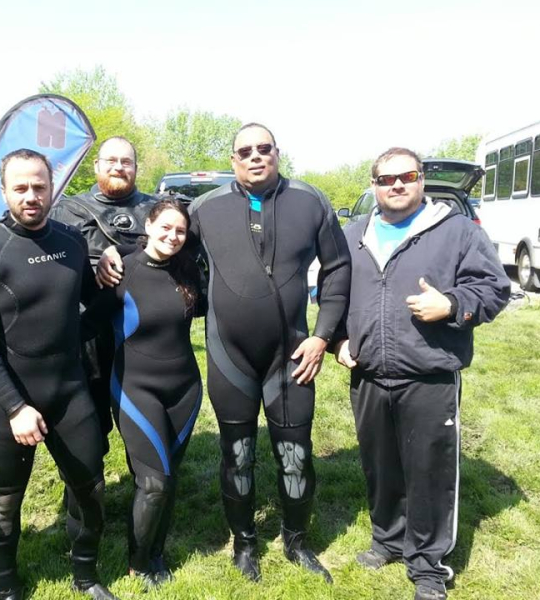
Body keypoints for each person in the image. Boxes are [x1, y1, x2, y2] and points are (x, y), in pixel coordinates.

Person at [99, 123, 351, 583]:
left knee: (295, 455)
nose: (255, 156)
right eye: (244, 151)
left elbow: (338, 268)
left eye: (264, 148)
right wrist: (107, 256)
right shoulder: (205, 208)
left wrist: (324, 335)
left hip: (293, 356)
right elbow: (162, 244)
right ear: (233, 159)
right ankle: (244, 545)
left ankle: (297, 542)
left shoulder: (310, 201)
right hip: (229, 356)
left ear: (277, 152)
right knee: (237, 455)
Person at [332, 147, 510, 600]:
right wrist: (337, 341)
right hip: (369, 375)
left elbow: (494, 288)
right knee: (381, 466)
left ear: (421, 180)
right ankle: (388, 540)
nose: (396, 185)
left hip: (429, 375)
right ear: (373, 185)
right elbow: (330, 293)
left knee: (428, 472)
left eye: (406, 176)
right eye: (386, 178)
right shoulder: (353, 234)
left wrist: (451, 304)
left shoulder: (454, 231)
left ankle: (429, 565)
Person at [0, 149, 118, 600]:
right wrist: (15, 405)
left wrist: (105, 277)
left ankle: (85, 575)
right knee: (5, 500)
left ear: (52, 188)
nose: (31, 196)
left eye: (39, 186)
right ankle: (6, 587)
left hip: (68, 390)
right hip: (7, 401)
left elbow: (90, 307)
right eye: (20, 187)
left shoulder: (71, 241)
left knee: (91, 489)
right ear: (4, 191)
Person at [82, 198, 204, 589]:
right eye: (165, 227)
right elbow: (83, 326)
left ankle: (156, 550)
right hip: (136, 389)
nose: (172, 236)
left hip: (185, 389)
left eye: (180, 231)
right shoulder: (121, 272)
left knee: (169, 476)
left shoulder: (188, 270)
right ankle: (138, 563)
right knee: (154, 482)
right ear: (148, 226)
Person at [50, 136, 156, 449]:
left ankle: (147, 487)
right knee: (89, 429)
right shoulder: (66, 211)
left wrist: (120, 249)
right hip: (88, 335)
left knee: (144, 425)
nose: (118, 167)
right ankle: (86, 494)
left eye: (126, 162)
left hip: (143, 333)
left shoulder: (155, 209)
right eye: (111, 160)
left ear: (136, 168)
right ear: (97, 165)